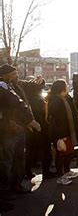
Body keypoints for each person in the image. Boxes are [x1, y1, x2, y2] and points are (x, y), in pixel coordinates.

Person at [0, 64, 41, 195]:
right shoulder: (2, 87)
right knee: (6, 162)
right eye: (13, 74)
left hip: (17, 129)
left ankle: (15, 186)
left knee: (19, 159)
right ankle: (4, 192)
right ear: (5, 75)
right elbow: (17, 104)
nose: (16, 76)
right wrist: (31, 121)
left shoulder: (11, 86)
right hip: (8, 131)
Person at [47, 79, 78, 185]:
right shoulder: (55, 100)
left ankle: (67, 171)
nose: (67, 87)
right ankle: (60, 176)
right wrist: (60, 136)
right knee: (61, 154)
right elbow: (55, 119)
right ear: (61, 88)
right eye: (66, 86)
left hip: (68, 131)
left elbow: (74, 110)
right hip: (61, 133)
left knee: (69, 153)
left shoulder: (66, 98)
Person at [23, 77, 54, 179]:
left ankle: (27, 172)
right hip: (40, 127)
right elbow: (41, 114)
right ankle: (46, 172)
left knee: (31, 151)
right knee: (45, 150)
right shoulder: (36, 98)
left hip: (33, 127)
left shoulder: (28, 97)